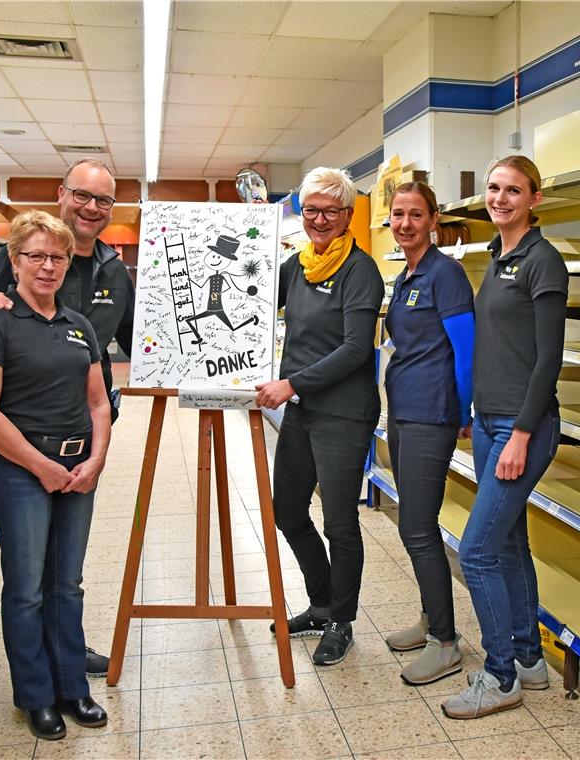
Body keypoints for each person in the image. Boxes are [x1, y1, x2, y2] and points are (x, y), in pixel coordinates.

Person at [0, 157, 132, 678]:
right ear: (62, 193)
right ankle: (37, 681)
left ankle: (67, 659)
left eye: (103, 200)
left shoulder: (113, 269)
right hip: (23, 440)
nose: (92, 208)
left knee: (66, 570)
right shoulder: (22, 254)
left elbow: (135, 339)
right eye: (83, 195)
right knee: (28, 574)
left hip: (83, 436)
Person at [0, 211, 111, 740]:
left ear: (68, 262)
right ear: (15, 260)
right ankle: (36, 695)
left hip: (78, 469)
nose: (47, 266)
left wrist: (94, 461)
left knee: (66, 585)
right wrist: (41, 465)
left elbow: (98, 402)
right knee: (26, 588)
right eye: (36, 256)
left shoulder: (80, 324)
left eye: (57, 256)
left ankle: (73, 686)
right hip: (23, 471)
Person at [441, 156, 568, 719]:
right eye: (493, 188)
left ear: (534, 198)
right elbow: (496, 346)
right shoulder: (497, 257)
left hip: (523, 426)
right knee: (510, 542)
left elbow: (547, 360)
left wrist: (520, 432)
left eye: (513, 190)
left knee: (477, 551)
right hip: (490, 420)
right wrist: (474, 410)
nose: (500, 198)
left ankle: (499, 677)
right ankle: (529, 658)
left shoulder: (544, 262)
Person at [255, 167, 384, 666]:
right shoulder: (297, 266)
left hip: (343, 414)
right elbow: (254, 300)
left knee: (339, 522)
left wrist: (291, 384)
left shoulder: (360, 270)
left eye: (331, 211)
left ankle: (341, 620)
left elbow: (356, 349)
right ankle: (322, 600)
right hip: (304, 412)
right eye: (311, 210)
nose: (320, 219)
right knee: (286, 511)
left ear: (348, 215)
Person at [381, 182, 474, 685]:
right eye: (398, 214)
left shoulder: (447, 274)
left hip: (431, 412)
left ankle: (445, 642)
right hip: (403, 409)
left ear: (434, 219)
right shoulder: (407, 275)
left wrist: (461, 408)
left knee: (417, 526)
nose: (406, 224)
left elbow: (465, 348)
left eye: (416, 215)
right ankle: (428, 617)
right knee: (411, 523)